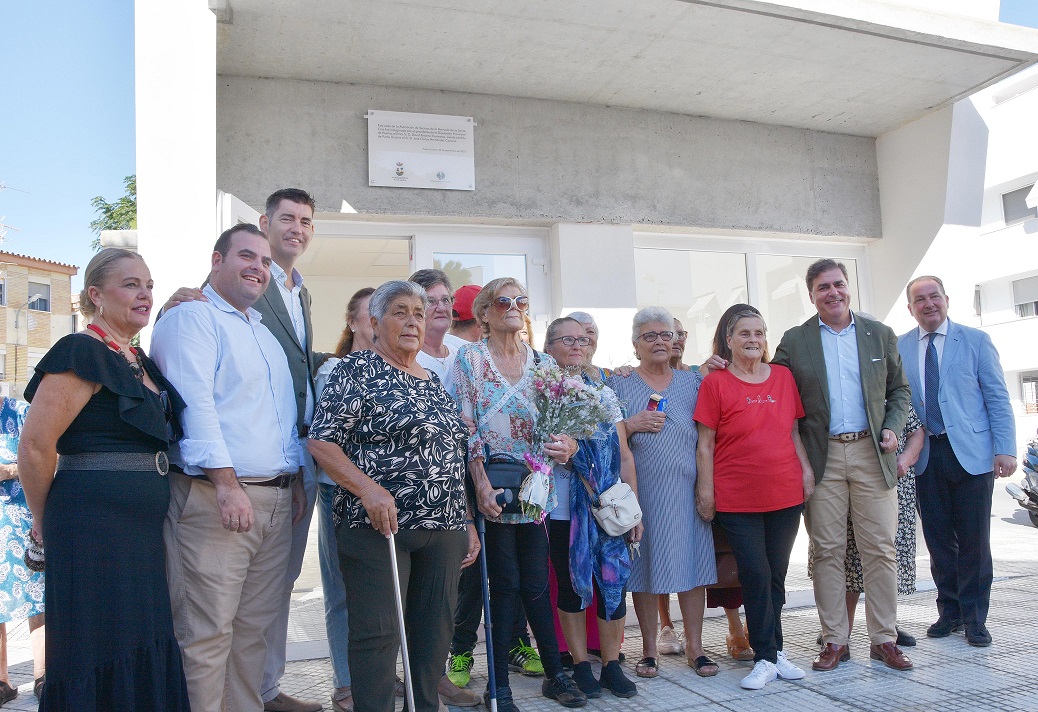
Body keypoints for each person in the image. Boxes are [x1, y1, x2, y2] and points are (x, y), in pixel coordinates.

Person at [162, 188, 324, 712]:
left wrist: (295, 481)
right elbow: (197, 411)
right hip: (219, 501)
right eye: (245, 256)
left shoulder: (262, 330)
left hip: (275, 500)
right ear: (217, 261)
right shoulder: (193, 319)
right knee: (207, 635)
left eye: (263, 259)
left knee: (253, 632)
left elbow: (282, 415)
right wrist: (228, 485)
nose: (258, 266)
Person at [18, 248, 190, 710]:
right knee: (97, 645)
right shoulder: (80, 351)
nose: (145, 294)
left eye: (149, 285)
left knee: (140, 634)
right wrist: (43, 522)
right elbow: (35, 447)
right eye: (131, 284)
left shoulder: (139, 359)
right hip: (90, 528)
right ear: (95, 295)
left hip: (140, 532)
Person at [308, 280, 478, 712]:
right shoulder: (355, 370)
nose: (412, 321)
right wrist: (368, 488)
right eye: (400, 312)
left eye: (419, 313)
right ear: (374, 321)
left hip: (443, 527)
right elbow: (323, 442)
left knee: (434, 632)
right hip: (377, 526)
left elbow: (452, 455)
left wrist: (467, 522)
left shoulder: (433, 382)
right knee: (379, 632)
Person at [771, 258, 912, 672]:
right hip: (823, 456)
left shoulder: (878, 334)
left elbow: (900, 392)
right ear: (811, 295)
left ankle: (884, 639)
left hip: (873, 454)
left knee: (881, 550)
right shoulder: (795, 341)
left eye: (838, 285)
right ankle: (835, 640)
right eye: (822, 288)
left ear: (848, 287)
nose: (832, 293)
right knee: (827, 550)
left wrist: (892, 427)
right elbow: (768, 381)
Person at [453, 278, 586, 712]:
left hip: (534, 490)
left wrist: (568, 443)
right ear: (485, 313)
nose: (514, 307)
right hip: (491, 488)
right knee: (504, 584)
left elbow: (558, 422)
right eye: (503, 301)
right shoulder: (470, 359)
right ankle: (499, 688)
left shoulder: (544, 362)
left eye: (521, 301)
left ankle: (556, 676)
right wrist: (480, 485)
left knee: (534, 583)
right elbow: (466, 426)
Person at [694, 310, 813, 690]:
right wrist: (706, 491)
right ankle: (764, 656)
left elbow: (793, 431)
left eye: (759, 333)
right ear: (728, 341)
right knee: (756, 574)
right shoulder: (715, 383)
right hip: (736, 497)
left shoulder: (783, 377)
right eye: (744, 333)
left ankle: (774, 653)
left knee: (776, 574)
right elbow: (705, 444)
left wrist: (806, 470)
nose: (753, 339)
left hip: (784, 491)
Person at [898, 275, 1017, 647]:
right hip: (926, 454)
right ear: (911, 308)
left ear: (947, 300)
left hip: (972, 455)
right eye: (920, 299)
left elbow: (996, 397)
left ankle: (974, 617)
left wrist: (1006, 448)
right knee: (936, 539)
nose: (929, 304)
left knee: (974, 541)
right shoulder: (900, 347)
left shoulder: (976, 341)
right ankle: (948, 611)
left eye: (935, 296)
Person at [606, 307, 717, 679]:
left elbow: (707, 438)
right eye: (650, 336)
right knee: (644, 567)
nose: (659, 342)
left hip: (687, 489)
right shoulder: (619, 383)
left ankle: (696, 648)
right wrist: (631, 423)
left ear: (676, 341)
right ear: (635, 344)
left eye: (666, 335)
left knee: (694, 566)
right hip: (642, 491)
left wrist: (706, 487)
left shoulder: (693, 383)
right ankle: (649, 650)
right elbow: (604, 432)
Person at [543, 318, 641, 698]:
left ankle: (612, 665)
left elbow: (625, 455)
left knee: (614, 584)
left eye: (584, 339)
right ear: (548, 347)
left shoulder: (604, 393)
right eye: (567, 339)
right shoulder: (544, 393)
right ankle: (582, 665)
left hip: (609, 508)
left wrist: (635, 508)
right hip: (563, 508)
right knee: (571, 587)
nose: (577, 345)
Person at [316, 287, 375, 712]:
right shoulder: (332, 371)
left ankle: (375, 675)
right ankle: (346, 684)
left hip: (391, 496)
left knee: (381, 596)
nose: (377, 322)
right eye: (370, 314)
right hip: (340, 491)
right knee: (343, 591)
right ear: (352, 322)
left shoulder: (401, 371)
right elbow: (327, 441)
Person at [0, 398, 45, 705]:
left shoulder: (20, 411)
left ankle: (43, 677)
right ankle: (2, 683)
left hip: (23, 520)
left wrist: (11, 469)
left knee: (37, 599)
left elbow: (47, 455)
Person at [410, 269, 468, 396]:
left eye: (446, 300)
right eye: (431, 301)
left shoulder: (461, 353)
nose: (441, 308)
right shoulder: (409, 360)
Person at [565, 312, 609, 383]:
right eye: (578, 332)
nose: (585, 337)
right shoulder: (552, 378)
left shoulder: (610, 375)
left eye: (590, 331)